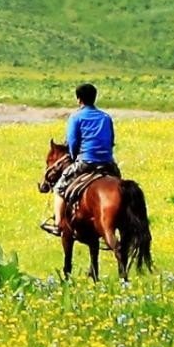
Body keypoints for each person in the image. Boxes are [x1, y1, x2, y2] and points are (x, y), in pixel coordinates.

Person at [43, 81, 116, 234]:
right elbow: (111, 141)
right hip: (108, 163)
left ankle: (58, 225)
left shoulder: (76, 117)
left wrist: (74, 156)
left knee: (59, 188)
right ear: (94, 98)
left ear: (79, 99)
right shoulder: (106, 117)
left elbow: (72, 142)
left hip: (86, 162)